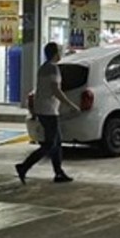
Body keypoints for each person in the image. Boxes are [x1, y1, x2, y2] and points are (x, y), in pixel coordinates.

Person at [16, 42, 79, 185]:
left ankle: (59, 173)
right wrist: (70, 105)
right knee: (50, 144)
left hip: (43, 109)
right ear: (56, 53)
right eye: (60, 50)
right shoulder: (53, 69)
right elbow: (55, 90)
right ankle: (24, 166)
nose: (61, 53)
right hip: (49, 110)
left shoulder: (43, 67)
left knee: (56, 143)